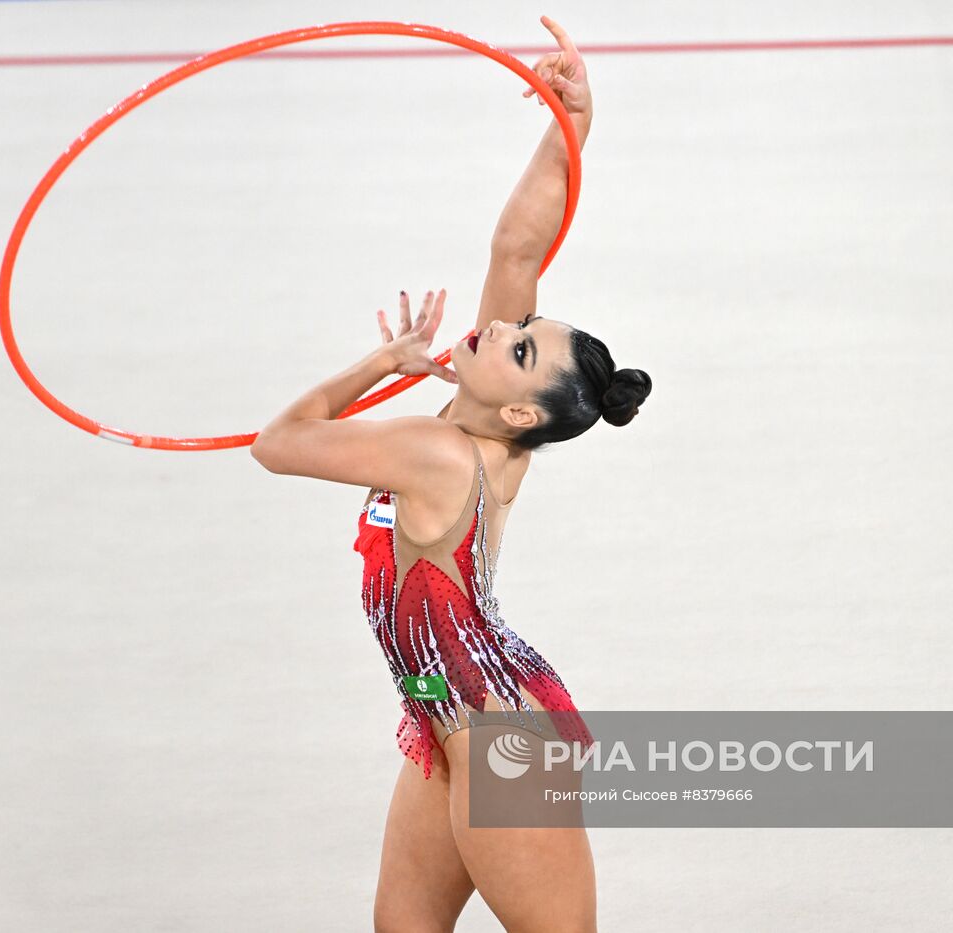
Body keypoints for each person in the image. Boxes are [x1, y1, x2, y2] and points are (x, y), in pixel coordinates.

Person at [251, 16, 651, 932]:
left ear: (519, 410)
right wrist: (570, 121)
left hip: (501, 739)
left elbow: (278, 440)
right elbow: (518, 249)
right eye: (517, 329)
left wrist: (378, 365)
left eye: (514, 347)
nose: (493, 329)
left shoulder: (435, 451)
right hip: (444, 721)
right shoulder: (483, 437)